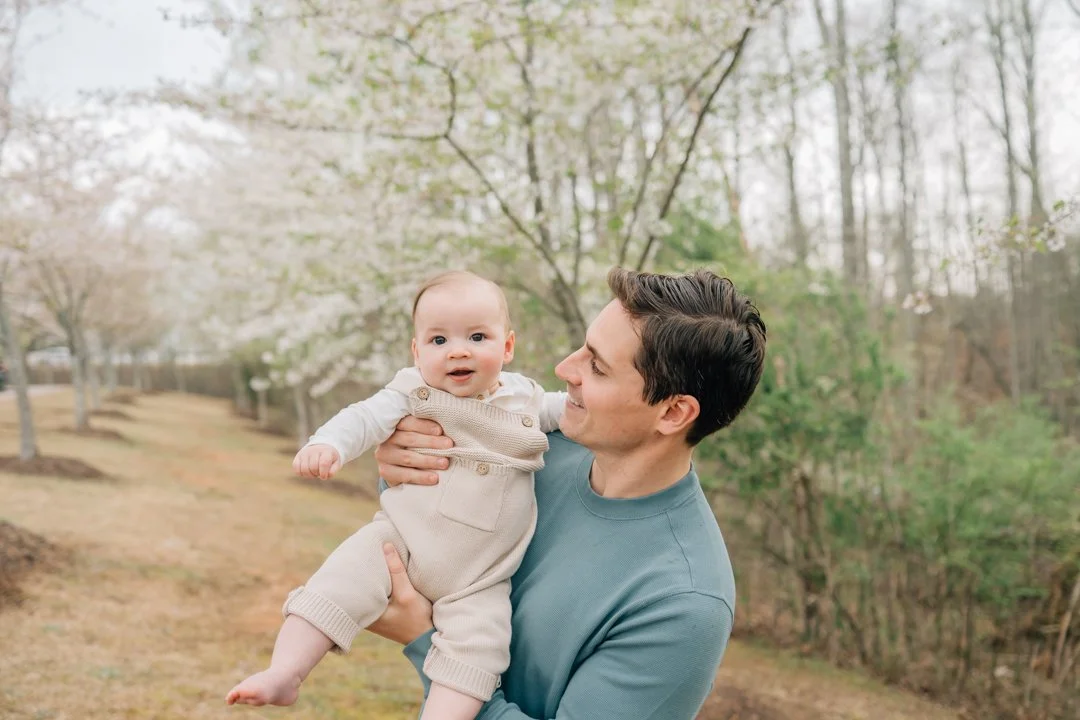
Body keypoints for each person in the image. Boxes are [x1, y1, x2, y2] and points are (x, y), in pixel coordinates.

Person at [368, 267, 767, 719]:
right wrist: (404, 461)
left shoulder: (684, 604)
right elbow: (427, 524)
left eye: (596, 366)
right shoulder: (536, 449)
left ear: (674, 412)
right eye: (584, 347)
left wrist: (426, 642)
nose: (565, 369)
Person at [226, 270, 566, 720]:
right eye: (439, 340)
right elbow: (363, 419)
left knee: (476, 653)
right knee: (338, 581)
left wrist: (594, 406)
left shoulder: (525, 400)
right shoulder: (412, 392)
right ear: (417, 350)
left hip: (480, 578)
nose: (458, 350)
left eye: (478, 336)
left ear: (507, 347)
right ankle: (286, 671)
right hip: (399, 541)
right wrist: (327, 445)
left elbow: (569, 411)